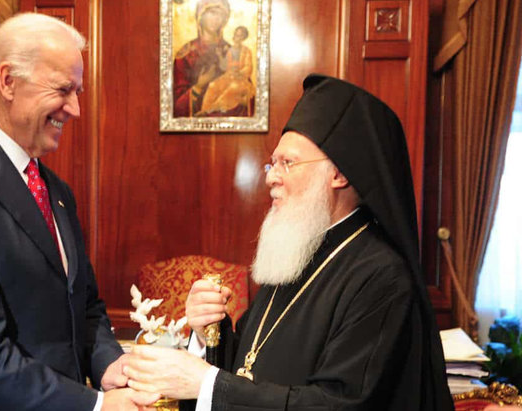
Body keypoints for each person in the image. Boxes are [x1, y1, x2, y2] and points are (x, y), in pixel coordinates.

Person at [124, 74, 454, 410]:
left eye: (288, 163)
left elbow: (341, 404)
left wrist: (206, 383)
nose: (270, 177)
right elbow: (248, 364)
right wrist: (209, 330)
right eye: (273, 162)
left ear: (339, 174)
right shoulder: (298, 251)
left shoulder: (381, 277)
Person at [0, 13, 158, 411]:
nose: (74, 109)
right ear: (7, 82)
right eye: (63, 89)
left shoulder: (58, 192)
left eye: (77, 92)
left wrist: (110, 363)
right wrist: (97, 406)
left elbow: (84, 308)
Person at [173, 0, 253, 118]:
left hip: (231, 125)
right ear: (200, 16)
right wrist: (199, 86)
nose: (216, 19)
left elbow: (248, 93)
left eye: (221, 15)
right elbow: (176, 106)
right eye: (211, 13)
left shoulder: (232, 50)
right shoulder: (186, 54)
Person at [198, 26, 255, 116]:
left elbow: (249, 67)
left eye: (240, 36)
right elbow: (224, 67)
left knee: (232, 87)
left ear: (243, 38)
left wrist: (239, 72)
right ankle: (204, 110)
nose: (237, 37)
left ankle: (212, 109)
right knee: (212, 85)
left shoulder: (246, 51)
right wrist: (220, 55)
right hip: (228, 77)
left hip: (241, 80)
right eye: (236, 34)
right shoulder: (230, 50)